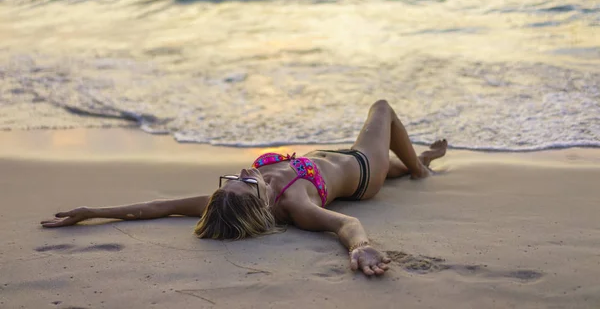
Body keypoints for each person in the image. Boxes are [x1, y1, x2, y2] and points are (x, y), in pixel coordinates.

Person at [41, 100, 447, 276]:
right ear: (260, 208)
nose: (242, 174)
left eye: (234, 179)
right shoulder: (295, 204)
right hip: (361, 169)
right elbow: (344, 223)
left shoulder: (231, 199)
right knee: (382, 109)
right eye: (247, 184)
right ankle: (422, 171)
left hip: (327, 157)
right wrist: (361, 247)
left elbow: (159, 206)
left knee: (400, 164)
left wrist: (92, 211)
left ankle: (418, 161)